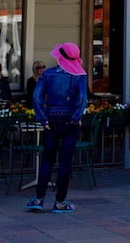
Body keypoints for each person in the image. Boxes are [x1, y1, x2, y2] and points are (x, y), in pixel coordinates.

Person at [27, 43, 88, 214]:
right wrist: (77, 117)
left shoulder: (48, 73)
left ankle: (39, 199)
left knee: (47, 158)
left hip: (52, 118)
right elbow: (82, 98)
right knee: (65, 161)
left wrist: (42, 118)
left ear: (59, 56)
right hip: (71, 120)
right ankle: (60, 201)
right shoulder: (80, 74)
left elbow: (36, 97)